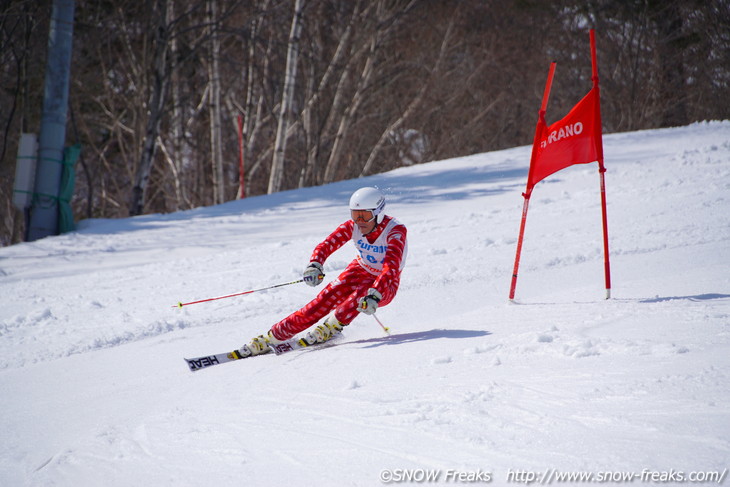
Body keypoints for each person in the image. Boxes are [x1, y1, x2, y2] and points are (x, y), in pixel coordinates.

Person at [239, 187, 408, 357]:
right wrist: (315, 263)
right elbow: (326, 245)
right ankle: (273, 337)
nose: (360, 221)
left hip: (386, 282)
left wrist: (375, 293)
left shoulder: (395, 231)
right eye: (355, 215)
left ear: (378, 213)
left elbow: (390, 267)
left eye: (365, 215)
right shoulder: (352, 226)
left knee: (361, 294)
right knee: (322, 301)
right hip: (359, 270)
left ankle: (332, 327)